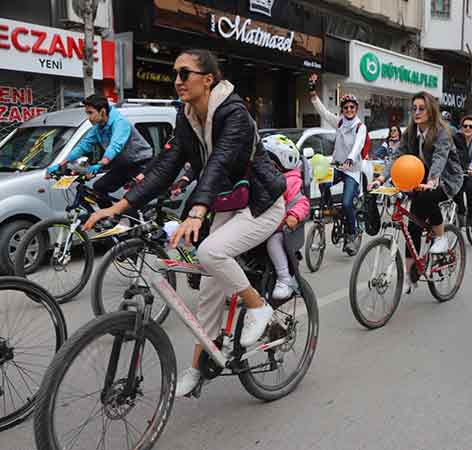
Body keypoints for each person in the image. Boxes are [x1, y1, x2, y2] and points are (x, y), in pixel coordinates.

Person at [82, 49, 287, 398]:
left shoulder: (234, 112)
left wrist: (196, 212)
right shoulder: (187, 116)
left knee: (210, 252)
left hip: (262, 202)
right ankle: (199, 367)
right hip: (226, 202)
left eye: (185, 73)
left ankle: (259, 307)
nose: (178, 80)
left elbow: (220, 162)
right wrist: (119, 205)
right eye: (175, 73)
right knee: (208, 292)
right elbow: (166, 165)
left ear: (208, 79)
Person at [370, 91, 463, 294]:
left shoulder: (441, 132)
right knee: (412, 226)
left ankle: (441, 238)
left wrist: (432, 180)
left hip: (446, 178)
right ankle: (410, 277)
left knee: (428, 195)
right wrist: (380, 179)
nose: (417, 112)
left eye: (421, 108)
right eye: (414, 108)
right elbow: (396, 156)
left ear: (430, 110)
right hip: (419, 179)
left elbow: (440, 158)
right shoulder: (410, 132)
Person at [46, 95, 153, 206]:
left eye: (90, 113)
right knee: (99, 188)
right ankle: (108, 219)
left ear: (102, 111)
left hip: (141, 164)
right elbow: (83, 146)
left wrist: (100, 164)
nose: (88, 117)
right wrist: (61, 163)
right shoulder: (98, 128)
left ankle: (134, 221)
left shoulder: (120, 123)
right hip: (124, 165)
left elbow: (115, 145)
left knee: (130, 200)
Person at [309, 73, 367, 256]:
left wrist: (350, 158)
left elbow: (358, 145)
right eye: (346, 107)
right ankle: (329, 211)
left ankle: (352, 233)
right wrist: (312, 92)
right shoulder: (340, 122)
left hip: (352, 170)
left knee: (347, 203)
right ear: (342, 109)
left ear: (356, 109)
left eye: (352, 107)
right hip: (338, 167)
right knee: (322, 182)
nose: (349, 109)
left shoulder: (360, 127)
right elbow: (323, 112)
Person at [261, 134, 310, 300]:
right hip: (266, 224)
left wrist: (294, 216)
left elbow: (302, 203)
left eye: (267, 161)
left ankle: (285, 279)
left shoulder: (291, 181)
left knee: (273, 243)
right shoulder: (266, 177)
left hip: (283, 229)